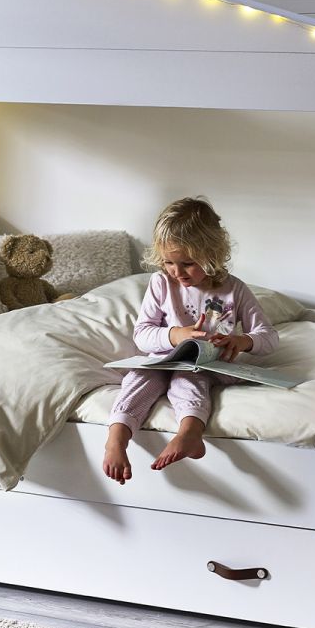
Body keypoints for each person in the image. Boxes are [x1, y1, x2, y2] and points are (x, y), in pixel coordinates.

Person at [103, 197, 277, 484]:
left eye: (188, 263)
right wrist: (175, 335)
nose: (177, 272)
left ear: (213, 254)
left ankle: (189, 434)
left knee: (188, 381)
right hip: (164, 359)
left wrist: (243, 341)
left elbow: (268, 338)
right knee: (138, 377)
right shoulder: (161, 283)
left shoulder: (234, 290)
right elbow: (142, 334)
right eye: (168, 262)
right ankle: (116, 439)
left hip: (206, 365)